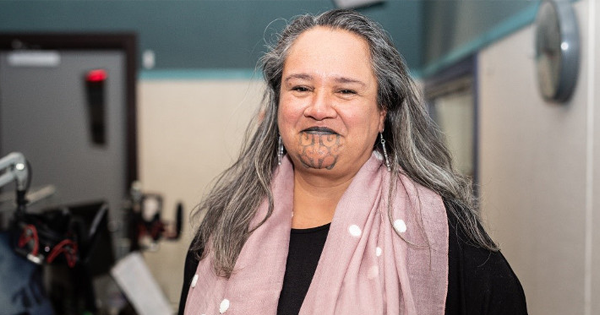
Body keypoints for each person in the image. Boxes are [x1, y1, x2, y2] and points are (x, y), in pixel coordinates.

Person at [179, 9, 527, 315]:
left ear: (381, 114)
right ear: (278, 106)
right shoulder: (226, 225)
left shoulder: (440, 230)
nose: (318, 108)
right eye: (300, 88)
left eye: (345, 91)